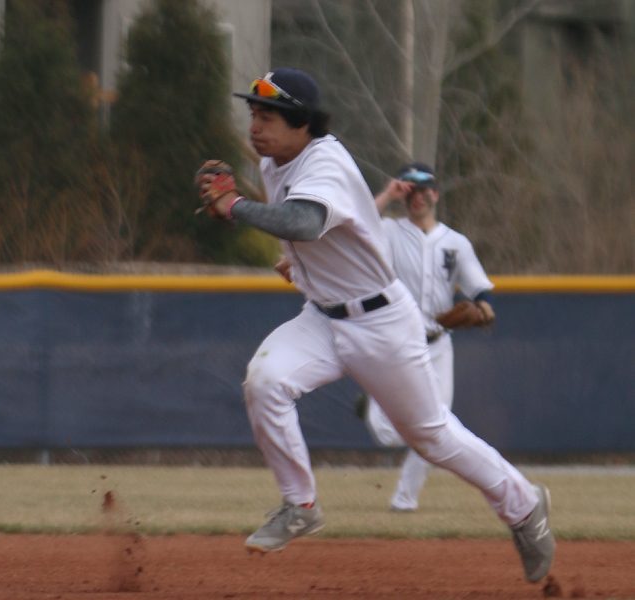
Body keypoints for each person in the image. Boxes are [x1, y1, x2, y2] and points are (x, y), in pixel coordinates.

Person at [195, 67, 555, 583]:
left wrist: (234, 205)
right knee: (266, 382)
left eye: (268, 115)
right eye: (253, 113)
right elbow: (317, 239)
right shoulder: (279, 162)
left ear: (302, 123)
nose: (255, 125)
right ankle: (300, 504)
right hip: (322, 318)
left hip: (381, 323)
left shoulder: (325, 162)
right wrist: (297, 266)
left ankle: (523, 506)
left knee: (431, 437)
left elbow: (305, 222)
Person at [354, 162, 497, 512]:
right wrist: (388, 193)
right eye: (410, 190)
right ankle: (371, 404)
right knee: (386, 433)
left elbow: (479, 287)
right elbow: (358, 221)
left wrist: (483, 305)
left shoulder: (456, 243)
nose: (417, 197)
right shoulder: (388, 230)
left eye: (423, 190)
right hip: (395, 342)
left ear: (435, 193)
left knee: (439, 424)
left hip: (437, 345)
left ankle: (405, 500)